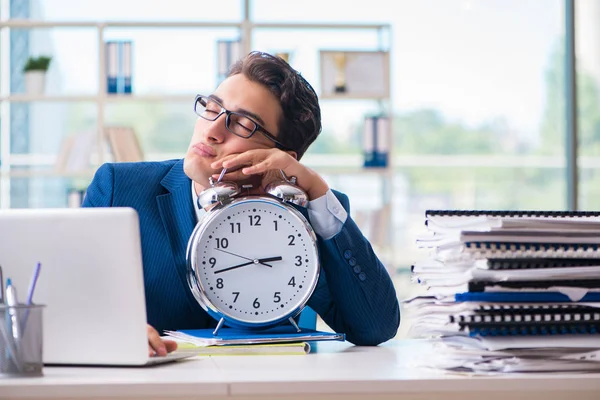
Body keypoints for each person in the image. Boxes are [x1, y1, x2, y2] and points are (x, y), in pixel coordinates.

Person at [83, 51, 400, 356]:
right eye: (211, 108)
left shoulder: (307, 219)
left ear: (283, 158)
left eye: (242, 124)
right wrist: (112, 329)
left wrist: (316, 190)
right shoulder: (119, 189)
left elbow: (375, 327)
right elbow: (70, 302)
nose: (212, 131)